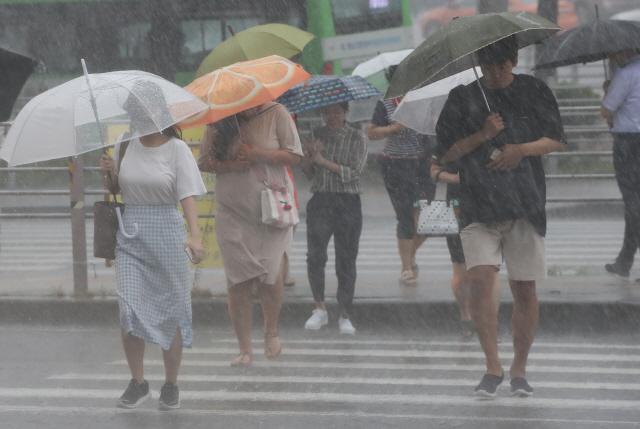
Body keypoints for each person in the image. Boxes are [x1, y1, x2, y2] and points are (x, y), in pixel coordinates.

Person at [435, 36, 566, 397]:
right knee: (478, 280)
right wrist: (483, 134)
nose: (494, 73)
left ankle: (519, 369)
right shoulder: (463, 97)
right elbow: (446, 153)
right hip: (477, 203)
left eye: (501, 66)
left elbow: (555, 138)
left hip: (524, 203)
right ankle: (492, 366)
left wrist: (520, 150)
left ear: (514, 61)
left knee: (524, 287)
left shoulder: (534, 90)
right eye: (487, 67)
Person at [100, 81, 207, 410]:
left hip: (167, 232)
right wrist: (109, 173)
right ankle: (138, 382)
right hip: (130, 233)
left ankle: (171, 384)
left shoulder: (176, 149)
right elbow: (116, 189)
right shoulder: (123, 143)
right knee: (129, 309)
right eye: (140, 108)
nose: (147, 113)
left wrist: (195, 234)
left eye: (152, 107)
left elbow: (186, 193)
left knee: (171, 311)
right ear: (133, 113)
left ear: (161, 110)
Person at [198, 102, 302, 366]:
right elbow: (205, 163)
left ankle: (271, 330)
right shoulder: (220, 120)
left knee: (270, 276)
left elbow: (294, 156)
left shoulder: (277, 113)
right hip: (232, 213)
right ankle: (244, 349)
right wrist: (233, 164)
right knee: (238, 282)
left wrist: (258, 154)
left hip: (272, 212)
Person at [301, 102, 368, 335]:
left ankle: (345, 314)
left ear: (346, 112)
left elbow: (354, 172)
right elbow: (308, 174)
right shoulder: (315, 135)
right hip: (320, 200)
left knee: (346, 259)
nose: (331, 117)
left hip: (347, 202)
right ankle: (319, 307)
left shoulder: (356, 137)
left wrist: (321, 160)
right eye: (327, 113)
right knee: (315, 256)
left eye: (336, 112)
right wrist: (309, 156)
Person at [368, 65, 436, 286]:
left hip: (423, 164)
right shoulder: (385, 103)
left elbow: (438, 125)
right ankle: (406, 267)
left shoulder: (425, 101)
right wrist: (394, 128)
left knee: (427, 220)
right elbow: (372, 132)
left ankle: (410, 254)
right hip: (395, 166)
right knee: (405, 217)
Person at [429, 160, 502, 339]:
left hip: (491, 204)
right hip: (458, 209)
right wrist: (456, 177)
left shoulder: (496, 134)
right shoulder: (450, 136)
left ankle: (491, 319)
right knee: (461, 269)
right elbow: (435, 171)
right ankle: (466, 314)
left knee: (491, 269)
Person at [601, 49, 640, 281]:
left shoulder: (625, 75)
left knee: (634, 204)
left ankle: (624, 260)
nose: (611, 56)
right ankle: (624, 260)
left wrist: (608, 90)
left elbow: (606, 110)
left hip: (629, 145)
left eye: (614, 51)